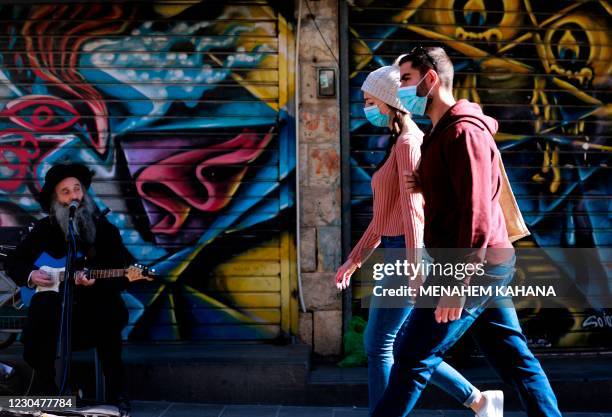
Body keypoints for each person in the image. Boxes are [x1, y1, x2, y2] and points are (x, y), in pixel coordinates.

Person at [371, 46, 562, 417]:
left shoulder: (463, 133)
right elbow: (459, 194)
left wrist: (456, 285)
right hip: (479, 263)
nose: (401, 89)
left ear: (430, 80)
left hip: (470, 267)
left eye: (407, 79)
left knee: (412, 356)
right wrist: (424, 183)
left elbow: (474, 214)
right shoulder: (443, 131)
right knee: (513, 359)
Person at [334, 65, 503, 417]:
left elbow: (414, 212)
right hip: (395, 250)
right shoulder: (398, 142)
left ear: (389, 101)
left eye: (370, 101)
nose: (367, 109)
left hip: (406, 253)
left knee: (381, 343)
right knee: (400, 345)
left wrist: (414, 266)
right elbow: (384, 217)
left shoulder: (410, 143)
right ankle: (479, 401)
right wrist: (356, 258)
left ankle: (391, 413)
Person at [5, 163, 133, 416]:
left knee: (109, 315)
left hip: (92, 314)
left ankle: (116, 395)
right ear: (55, 199)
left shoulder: (105, 231)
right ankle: (48, 392)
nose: (74, 196)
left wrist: (97, 282)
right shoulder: (44, 230)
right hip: (54, 315)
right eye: (65, 192)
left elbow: (123, 273)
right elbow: (14, 262)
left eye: (77, 189)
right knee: (42, 313)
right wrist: (31, 275)